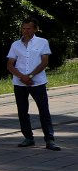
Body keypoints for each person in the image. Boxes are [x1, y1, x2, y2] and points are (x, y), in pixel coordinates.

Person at [8, 18, 60, 150]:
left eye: (29, 28)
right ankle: (28, 138)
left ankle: (49, 140)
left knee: (43, 111)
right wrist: (22, 77)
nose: (25, 31)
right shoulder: (15, 44)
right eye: (24, 28)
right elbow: (10, 64)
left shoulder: (42, 42)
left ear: (35, 29)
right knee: (22, 111)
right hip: (20, 83)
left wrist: (30, 76)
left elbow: (44, 62)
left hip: (38, 82)